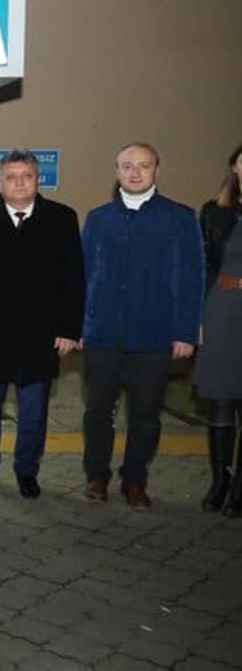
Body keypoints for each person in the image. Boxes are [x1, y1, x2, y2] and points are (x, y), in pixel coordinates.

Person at [0, 150, 84, 499]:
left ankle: (27, 471)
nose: (19, 183)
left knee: (33, 413)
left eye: (26, 176)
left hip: (40, 335)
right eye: (11, 177)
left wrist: (69, 330)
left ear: (38, 180)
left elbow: (74, 279)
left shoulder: (62, 218)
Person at [81, 142, 203, 509]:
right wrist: (78, 326)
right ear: (116, 172)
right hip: (103, 333)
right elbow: (83, 276)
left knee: (146, 414)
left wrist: (185, 332)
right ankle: (97, 476)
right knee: (98, 411)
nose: (135, 172)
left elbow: (191, 278)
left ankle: (135, 480)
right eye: (127, 166)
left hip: (155, 335)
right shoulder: (99, 218)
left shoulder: (180, 218)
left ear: (156, 171)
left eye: (144, 166)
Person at [197, 142, 242, 516]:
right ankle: (220, 481)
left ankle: (241, 488)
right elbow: (204, 267)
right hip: (224, 310)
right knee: (222, 401)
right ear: (235, 169)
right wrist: (196, 319)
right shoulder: (214, 212)